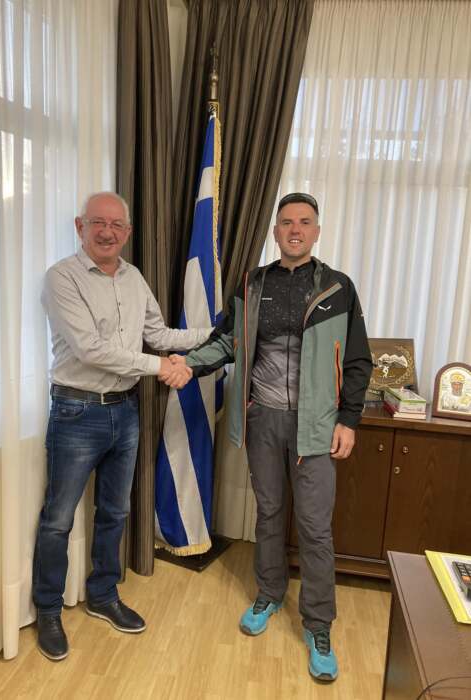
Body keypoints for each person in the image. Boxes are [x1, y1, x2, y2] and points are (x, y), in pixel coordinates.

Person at [170, 193, 372, 682]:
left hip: (316, 426)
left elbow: (358, 360)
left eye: (304, 222)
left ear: (317, 231)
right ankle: (268, 594)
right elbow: (226, 341)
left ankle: (318, 625)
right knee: (269, 513)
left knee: (315, 528)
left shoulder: (338, 288)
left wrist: (348, 420)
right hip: (264, 419)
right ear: (276, 231)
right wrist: (187, 364)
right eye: (286, 222)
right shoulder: (251, 283)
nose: (294, 229)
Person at [33, 192, 210, 661]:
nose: (107, 232)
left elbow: (159, 334)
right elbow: (90, 349)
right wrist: (161, 367)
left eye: (116, 225)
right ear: (80, 226)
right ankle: (48, 609)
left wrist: (216, 334)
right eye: (98, 223)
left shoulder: (134, 278)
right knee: (58, 519)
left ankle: (103, 595)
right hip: (76, 413)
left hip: (126, 412)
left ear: (128, 232)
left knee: (115, 512)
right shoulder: (61, 278)